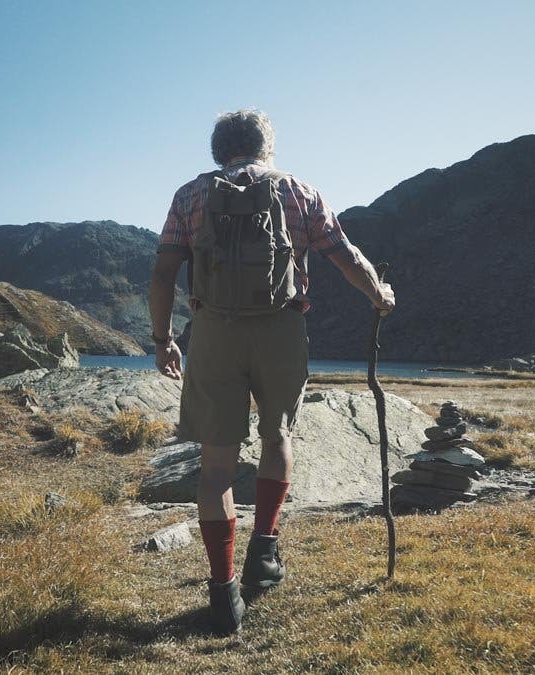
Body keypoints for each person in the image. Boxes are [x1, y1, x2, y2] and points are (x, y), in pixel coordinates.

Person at [148, 109, 395, 635]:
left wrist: (164, 340)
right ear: (267, 146)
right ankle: (263, 552)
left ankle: (222, 594)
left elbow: (164, 273)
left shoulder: (190, 195)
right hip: (282, 328)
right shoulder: (299, 191)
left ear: (218, 149)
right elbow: (344, 255)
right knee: (277, 436)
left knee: (216, 467)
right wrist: (379, 294)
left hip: (213, 332)